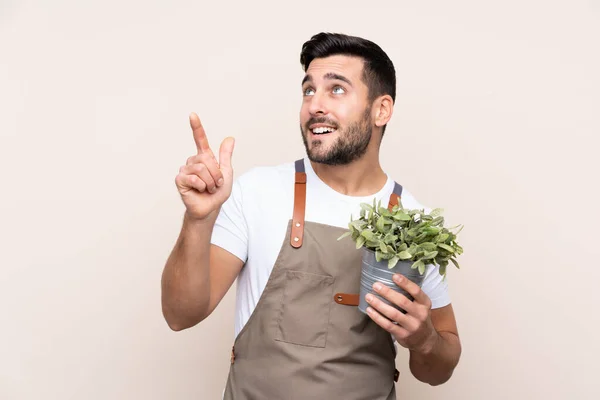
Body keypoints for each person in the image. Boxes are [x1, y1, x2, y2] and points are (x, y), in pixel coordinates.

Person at [161, 32, 462, 399]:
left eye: (336, 89)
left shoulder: (414, 223)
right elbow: (180, 315)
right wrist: (198, 219)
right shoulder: (258, 192)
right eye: (308, 90)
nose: (314, 105)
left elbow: (439, 370)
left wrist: (425, 339)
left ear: (381, 109)